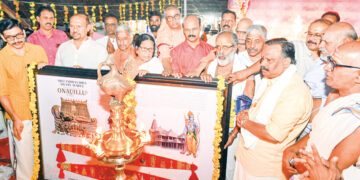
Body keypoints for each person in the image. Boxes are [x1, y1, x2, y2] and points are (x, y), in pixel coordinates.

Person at [234, 38, 312, 179]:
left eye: (269, 60)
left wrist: (244, 122)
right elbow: (261, 109)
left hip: (265, 170)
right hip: (247, 159)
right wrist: (248, 113)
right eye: (262, 59)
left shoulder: (295, 92)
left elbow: (273, 134)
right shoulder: (271, 79)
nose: (263, 64)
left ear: (286, 62)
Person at [282, 41, 360, 180]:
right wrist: (292, 149)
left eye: (335, 64)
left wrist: (296, 162)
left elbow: (326, 172)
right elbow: (318, 131)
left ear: (358, 76)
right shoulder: (336, 97)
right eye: (329, 60)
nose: (326, 67)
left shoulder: (355, 117)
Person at [0, 18, 48, 180]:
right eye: (10, 37)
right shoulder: (2, 58)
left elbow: (47, 81)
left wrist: (45, 69)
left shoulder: (37, 50)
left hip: (43, 113)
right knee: (25, 161)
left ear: (23, 31)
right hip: (20, 115)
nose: (16, 40)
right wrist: (15, 119)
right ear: (2, 37)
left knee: (46, 158)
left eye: (19, 35)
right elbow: (2, 93)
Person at [299, 22, 358, 139]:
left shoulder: (348, 71)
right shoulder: (323, 60)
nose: (321, 46)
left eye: (326, 42)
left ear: (345, 42)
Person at [156, 5, 185, 76]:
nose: (174, 20)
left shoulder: (185, 28)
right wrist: (170, 72)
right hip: (171, 70)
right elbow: (165, 57)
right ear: (166, 19)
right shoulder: (163, 31)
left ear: (180, 16)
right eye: (170, 18)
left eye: (176, 16)